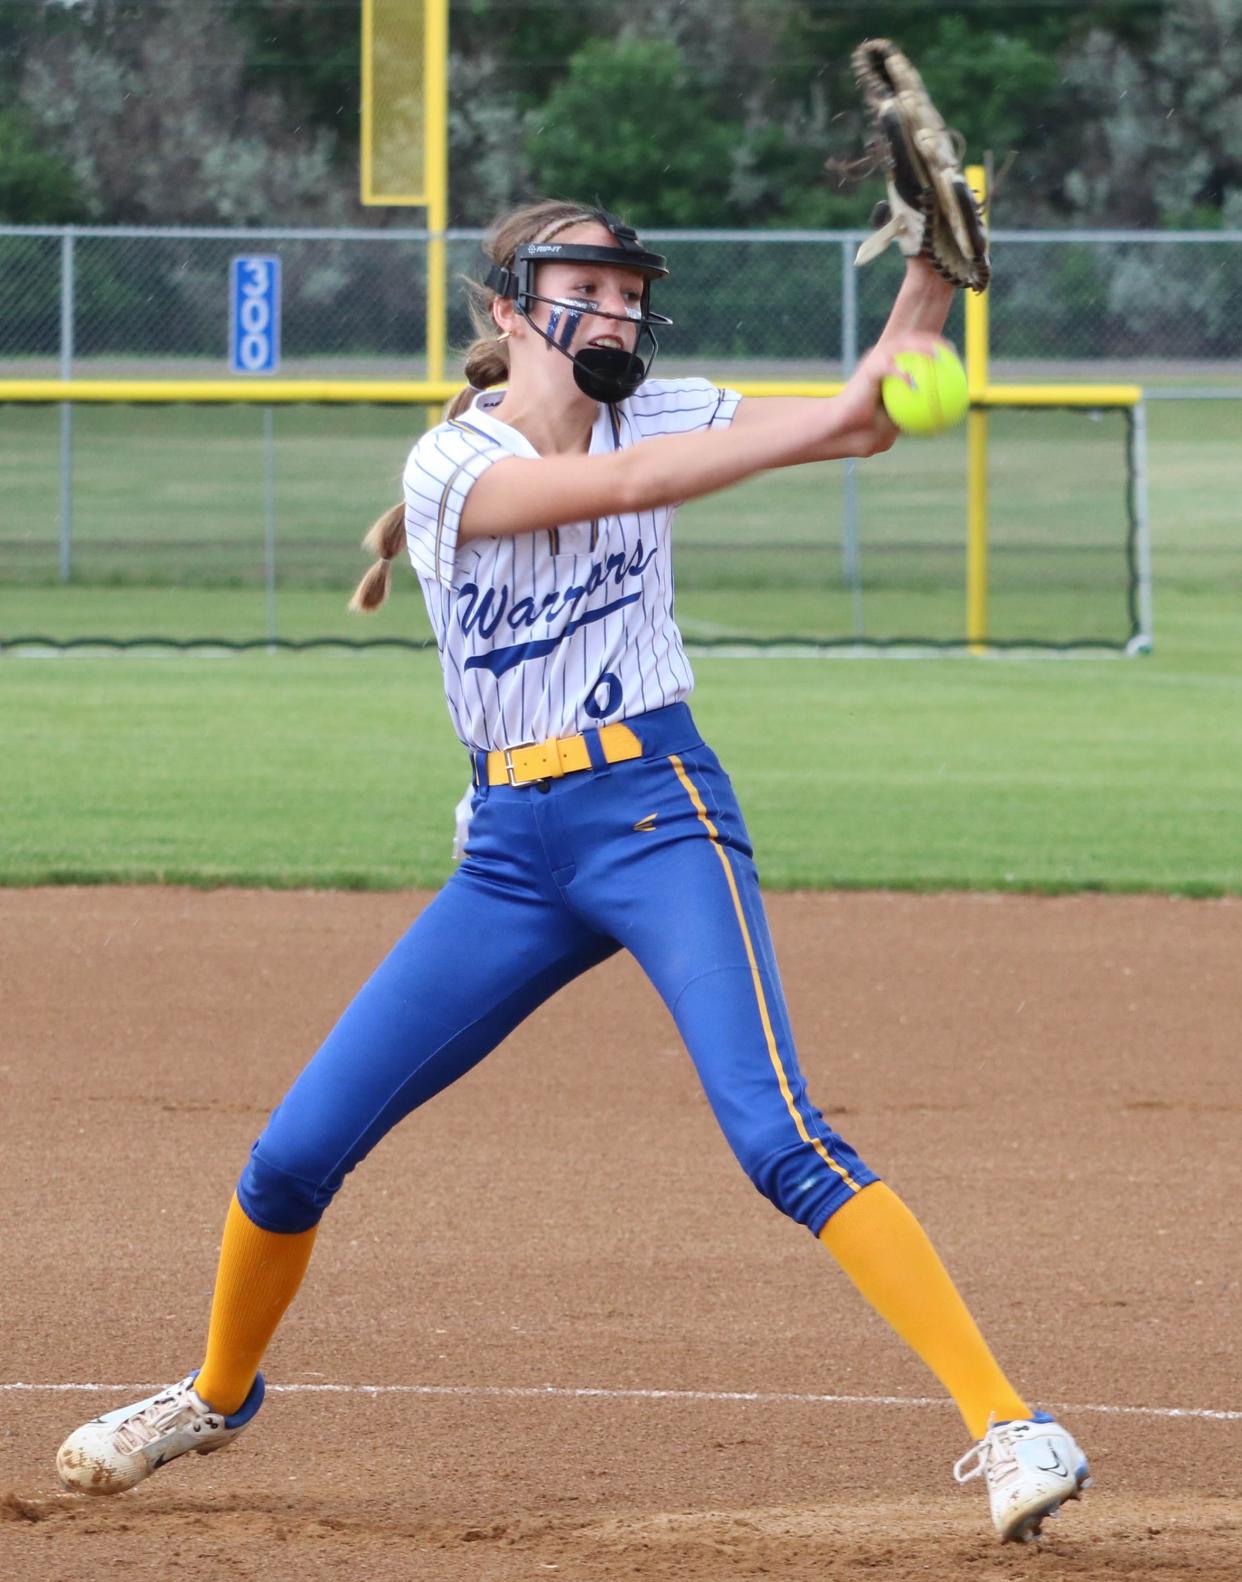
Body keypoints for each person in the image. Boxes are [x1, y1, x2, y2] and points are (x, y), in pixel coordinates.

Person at [56, 199, 1089, 1544]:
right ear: (506, 307)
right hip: (509, 853)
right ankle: (212, 1392)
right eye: (581, 286)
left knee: (776, 1134)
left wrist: (929, 279)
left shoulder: (662, 407)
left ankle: (1012, 1424)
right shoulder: (450, 464)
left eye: (625, 287)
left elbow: (866, 408)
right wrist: (837, 416)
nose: (614, 309)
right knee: (291, 1155)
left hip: (655, 811)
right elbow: (617, 490)